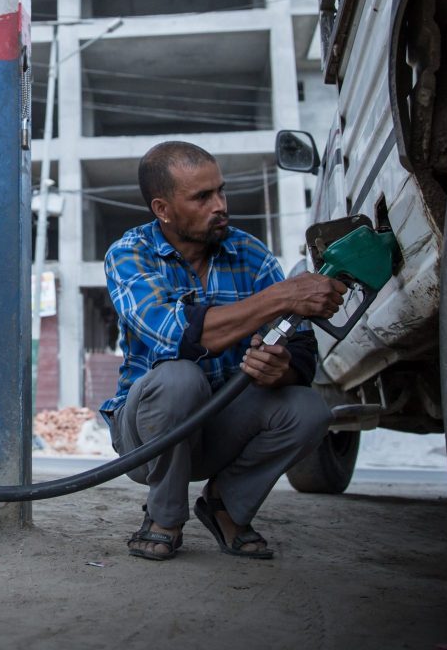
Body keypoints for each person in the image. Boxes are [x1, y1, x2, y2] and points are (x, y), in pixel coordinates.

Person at [102, 141, 346, 561]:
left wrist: (280, 368)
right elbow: (178, 335)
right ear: (163, 209)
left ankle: (225, 506)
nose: (220, 206)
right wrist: (281, 297)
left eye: (220, 191)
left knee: (309, 410)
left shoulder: (251, 254)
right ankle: (164, 517)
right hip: (148, 439)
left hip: (220, 428)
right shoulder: (130, 255)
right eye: (201, 197)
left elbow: (303, 351)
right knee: (180, 377)